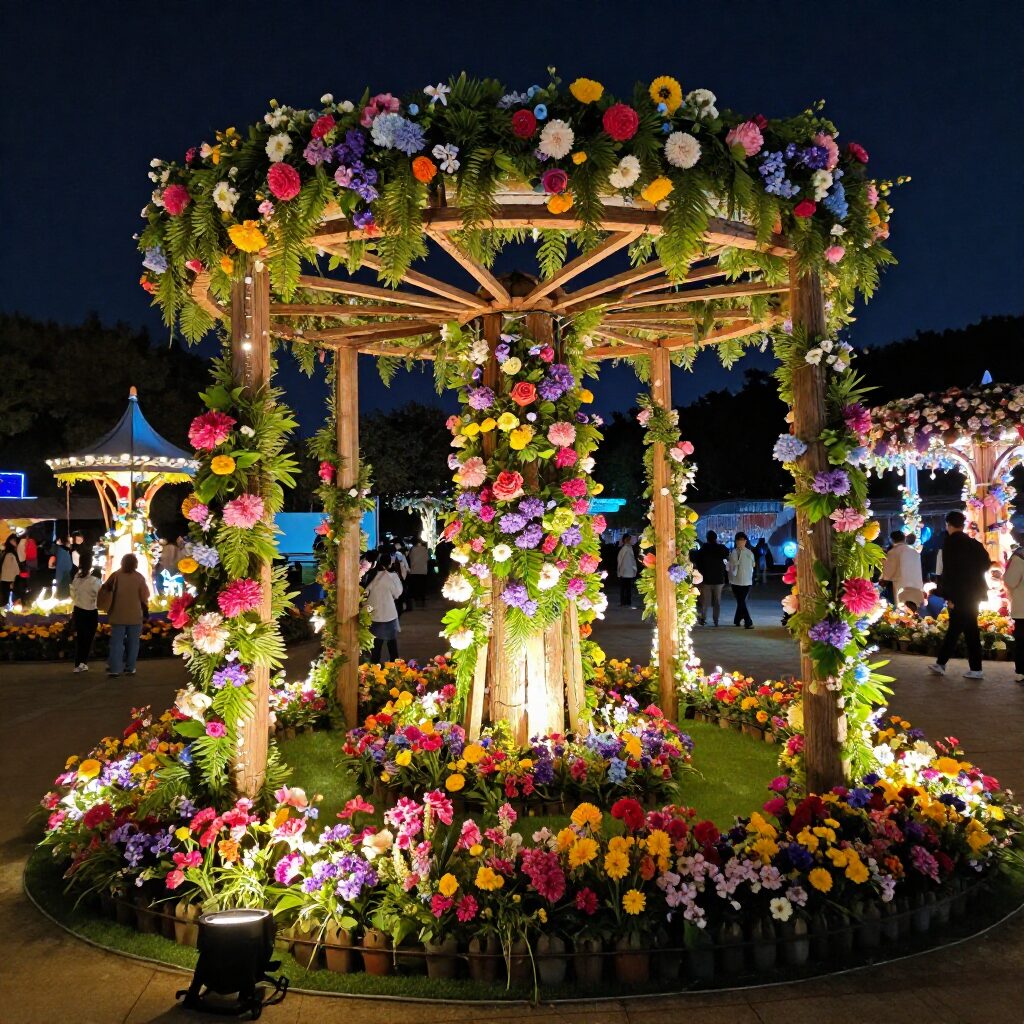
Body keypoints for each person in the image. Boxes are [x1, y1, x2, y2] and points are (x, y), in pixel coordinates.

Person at [928, 510, 992, 680]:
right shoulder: (973, 543)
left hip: (959, 593)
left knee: (955, 628)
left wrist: (948, 596)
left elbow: (949, 572)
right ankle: (975, 669)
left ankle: (941, 664)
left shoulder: (951, 543)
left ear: (948, 524)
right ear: (963, 525)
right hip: (974, 592)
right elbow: (986, 563)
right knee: (970, 629)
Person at [100, 553, 151, 677]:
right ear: (135, 564)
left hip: (118, 614)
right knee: (133, 643)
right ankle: (130, 667)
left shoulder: (115, 576)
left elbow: (104, 589)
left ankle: (115, 669)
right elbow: (145, 596)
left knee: (116, 643)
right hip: (135, 615)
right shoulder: (139, 577)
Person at [365, 553, 404, 665]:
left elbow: (365, 592)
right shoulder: (392, 576)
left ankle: (374, 668)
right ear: (390, 563)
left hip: (373, 614)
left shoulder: (372, 575)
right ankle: (395, 667)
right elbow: (397, 593)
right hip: (389, 614)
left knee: (376, 644)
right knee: (392, 643)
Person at [70, 553, 102, 673]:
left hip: (78, 610)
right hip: (91, 611)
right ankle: (82, 662)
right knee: (88, 639)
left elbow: (72, 594)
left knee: (81, 638)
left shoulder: (76, 578)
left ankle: (78, 663)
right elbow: (100, 595)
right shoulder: (94, 581)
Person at [881, 530, 925, 610]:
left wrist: (883, 580)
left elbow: (888, 573)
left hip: (900, 587)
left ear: (891, 540)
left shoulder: (893, 552)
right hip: (916, 585)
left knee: (902, 613)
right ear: (904, 539)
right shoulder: (914, 551)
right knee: (916, 611)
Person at [695, 530, 729, 626]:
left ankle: (703, 618)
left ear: (707, 538)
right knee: (717, 601)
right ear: (716, 538)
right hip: (719, 579)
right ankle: (716, 620)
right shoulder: (721, 548)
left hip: (706, 579)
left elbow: (698, 562)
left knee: (705, 601)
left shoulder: (703, 549)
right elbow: (727, 554)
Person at [1002, 538, 1024, 684]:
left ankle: (1022, 672)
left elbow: (1010, 580)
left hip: (1022, 608)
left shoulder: (1020, 557)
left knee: (1022, 641)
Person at [728, 532, 756, 628]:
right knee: (741, 601)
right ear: (736, 541)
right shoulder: (734, 552)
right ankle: (748, 621)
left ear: (745, 541)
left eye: (743, 540)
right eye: (738, 540)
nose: (741, 542)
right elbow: (733, 566)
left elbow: (752, 566)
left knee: (741, 601)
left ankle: (737, 619)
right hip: (736, 581)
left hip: (747, 581)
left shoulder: (749, 553)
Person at [616, 534, 638, 608]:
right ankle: (626, 602)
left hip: (625, 571)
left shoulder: (627, 548)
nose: (629, 540)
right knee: (626, 588)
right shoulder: (626, 548)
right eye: (628, 539)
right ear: (625, 540)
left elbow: (621, 560)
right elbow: (621, 560)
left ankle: (625, 602)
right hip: (625, 571)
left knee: (625, 588)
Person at [408, 538, 430, 608]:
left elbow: (410, 558)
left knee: (416, 586)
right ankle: (423, 599)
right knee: (422, 586)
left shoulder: (412, 549)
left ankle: (416, 600)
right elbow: (427, 559)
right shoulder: (424, 549)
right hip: (423, 570)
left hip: (414, 570)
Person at [1, 537, 20, 606]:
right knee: (6, 595)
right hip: (8, 578)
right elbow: (15, 567)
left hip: (5, 578)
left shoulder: (6, 553)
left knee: (5, 595)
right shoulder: (10, 554)